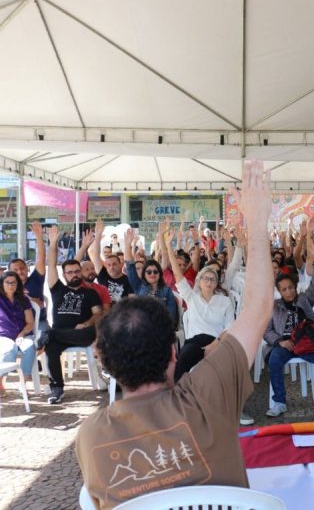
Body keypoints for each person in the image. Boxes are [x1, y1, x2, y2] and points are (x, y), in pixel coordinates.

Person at [75, 161, 274, 509]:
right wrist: (257, 222)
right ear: (172, 351)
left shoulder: (91, 436)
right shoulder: (207, 395)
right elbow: (258, 308)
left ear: (104, 361)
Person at [264, 227, 314, 418]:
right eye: (284, 289)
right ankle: (279, 402)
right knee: (274, 359)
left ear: (295, 287)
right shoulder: (273, 306)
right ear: (279, 291)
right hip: (284, 344)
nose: (289, 292)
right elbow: (266, 331)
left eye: (291, 288)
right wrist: (279, 342)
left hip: (306, 342)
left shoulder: (303, 300)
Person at [162, 221, 234, 382]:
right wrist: (168, 247)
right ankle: (179, 401)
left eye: (212, 279)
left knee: (231, 366)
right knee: (182, 364)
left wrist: (214, 345)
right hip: (195, 343)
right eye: (205, 279)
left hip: (219, 342)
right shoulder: (191, 297)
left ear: (217, 283)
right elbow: (178, 275)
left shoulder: (224, 301)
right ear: (199, 282)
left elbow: (230, 327)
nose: (209, 282)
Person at [43, 226, 102, 405]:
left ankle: (46, 337)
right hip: (60, 334)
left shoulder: (90, 293)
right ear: (65, 275)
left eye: (77, 271)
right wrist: (53, 244)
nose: (74, 274)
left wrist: (87, 322)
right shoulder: (57, 289)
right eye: (70, 272)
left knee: (49, 337)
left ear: (81, 273)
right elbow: (52, 265)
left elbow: (99, 315)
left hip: (82, 334)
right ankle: (57, 388)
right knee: (51, 348)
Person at [123, 228, 178, 325]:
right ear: (144, 274)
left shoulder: (167, 290)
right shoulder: (139, 286)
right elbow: (130, 265)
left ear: (160, 274)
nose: (152, 274)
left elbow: (171, 315)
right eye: (148, 272)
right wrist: (128, 244)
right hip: (142, 327)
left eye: (155, 272)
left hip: (161, 328)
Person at [0, 271, 34, 391]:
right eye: (7, 282)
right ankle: (1, 382)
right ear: (2, 284)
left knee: (30, 348)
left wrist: (22, 334)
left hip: (23, 334)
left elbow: (30, 322)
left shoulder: (24, 299)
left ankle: (22, 386)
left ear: (18, 284)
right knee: (9, 350)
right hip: (4, 335)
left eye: (13, 282)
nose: (10, 285)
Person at [89, 220, 134, 304]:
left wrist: (128, 244)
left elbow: (132, 302)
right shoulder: (103, 276)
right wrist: (98, 236)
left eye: (114, 264)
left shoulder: (128, 280)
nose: (111, 267)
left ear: (121, 265)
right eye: (108, 265)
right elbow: (96, 256)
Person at [8, 221, 46, 310]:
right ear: (10, 273)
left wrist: (39, 236)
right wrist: (30, 300)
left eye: (22, 268)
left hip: (40, 321)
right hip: (18, 322)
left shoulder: (36, 279)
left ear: (27, 268)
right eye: (15, 270)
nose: (20, 271)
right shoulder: (7, 285)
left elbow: (41, 258)